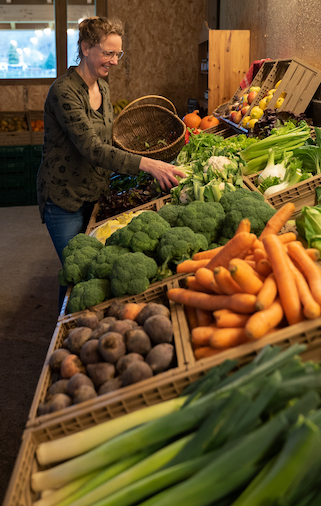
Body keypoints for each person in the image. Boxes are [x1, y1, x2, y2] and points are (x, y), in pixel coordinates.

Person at [37, 16, 185, 310]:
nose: (115, 61)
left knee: (90, 270)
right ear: (86, 48)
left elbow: (108, 138)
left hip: (96, 192)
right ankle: (64, 332)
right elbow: (92, 148)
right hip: (63, 197)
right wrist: (146, 164)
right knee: (76, 275)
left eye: (118, 53)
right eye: (108, 52)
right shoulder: (64, 91)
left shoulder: (102, 88)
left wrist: (150, 157)